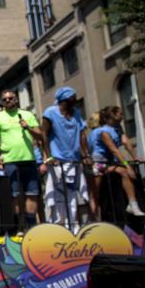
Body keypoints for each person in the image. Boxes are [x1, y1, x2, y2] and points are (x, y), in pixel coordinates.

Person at [0, 89, 45, 230]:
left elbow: (40, 136)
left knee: (32, 193)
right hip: (10, 161)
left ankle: (31, 226)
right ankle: (19, 226)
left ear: (16, 99)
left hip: (29, 160)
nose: (7, 101)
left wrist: (28, 127)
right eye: (5, 99)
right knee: (14, 195)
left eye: (10, 98)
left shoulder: (27, 115)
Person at [41, 87, 91, 231]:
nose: (75, 99)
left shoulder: (76, 114)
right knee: (59, 192)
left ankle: (73, 224)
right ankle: (60, 223)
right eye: (73, 97)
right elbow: (44, 134)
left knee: (72, 192)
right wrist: (48, 156)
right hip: (57, 159)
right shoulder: (50, 112)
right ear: (65, 99)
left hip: (73, 160)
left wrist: (86, 155)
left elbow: (82, 134)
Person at [89, 106, 145, 216]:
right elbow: (114, 150)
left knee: (123, 172)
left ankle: (133, 204)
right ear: (113, 115)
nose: (122, 116)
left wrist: (135, 157)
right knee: (95, 193)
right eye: (120, 114)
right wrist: (127, 166)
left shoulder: (118, 127)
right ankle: (93, 219)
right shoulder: (103, 131)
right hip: (99, 163)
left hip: (110, 161)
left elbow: (126, 142)